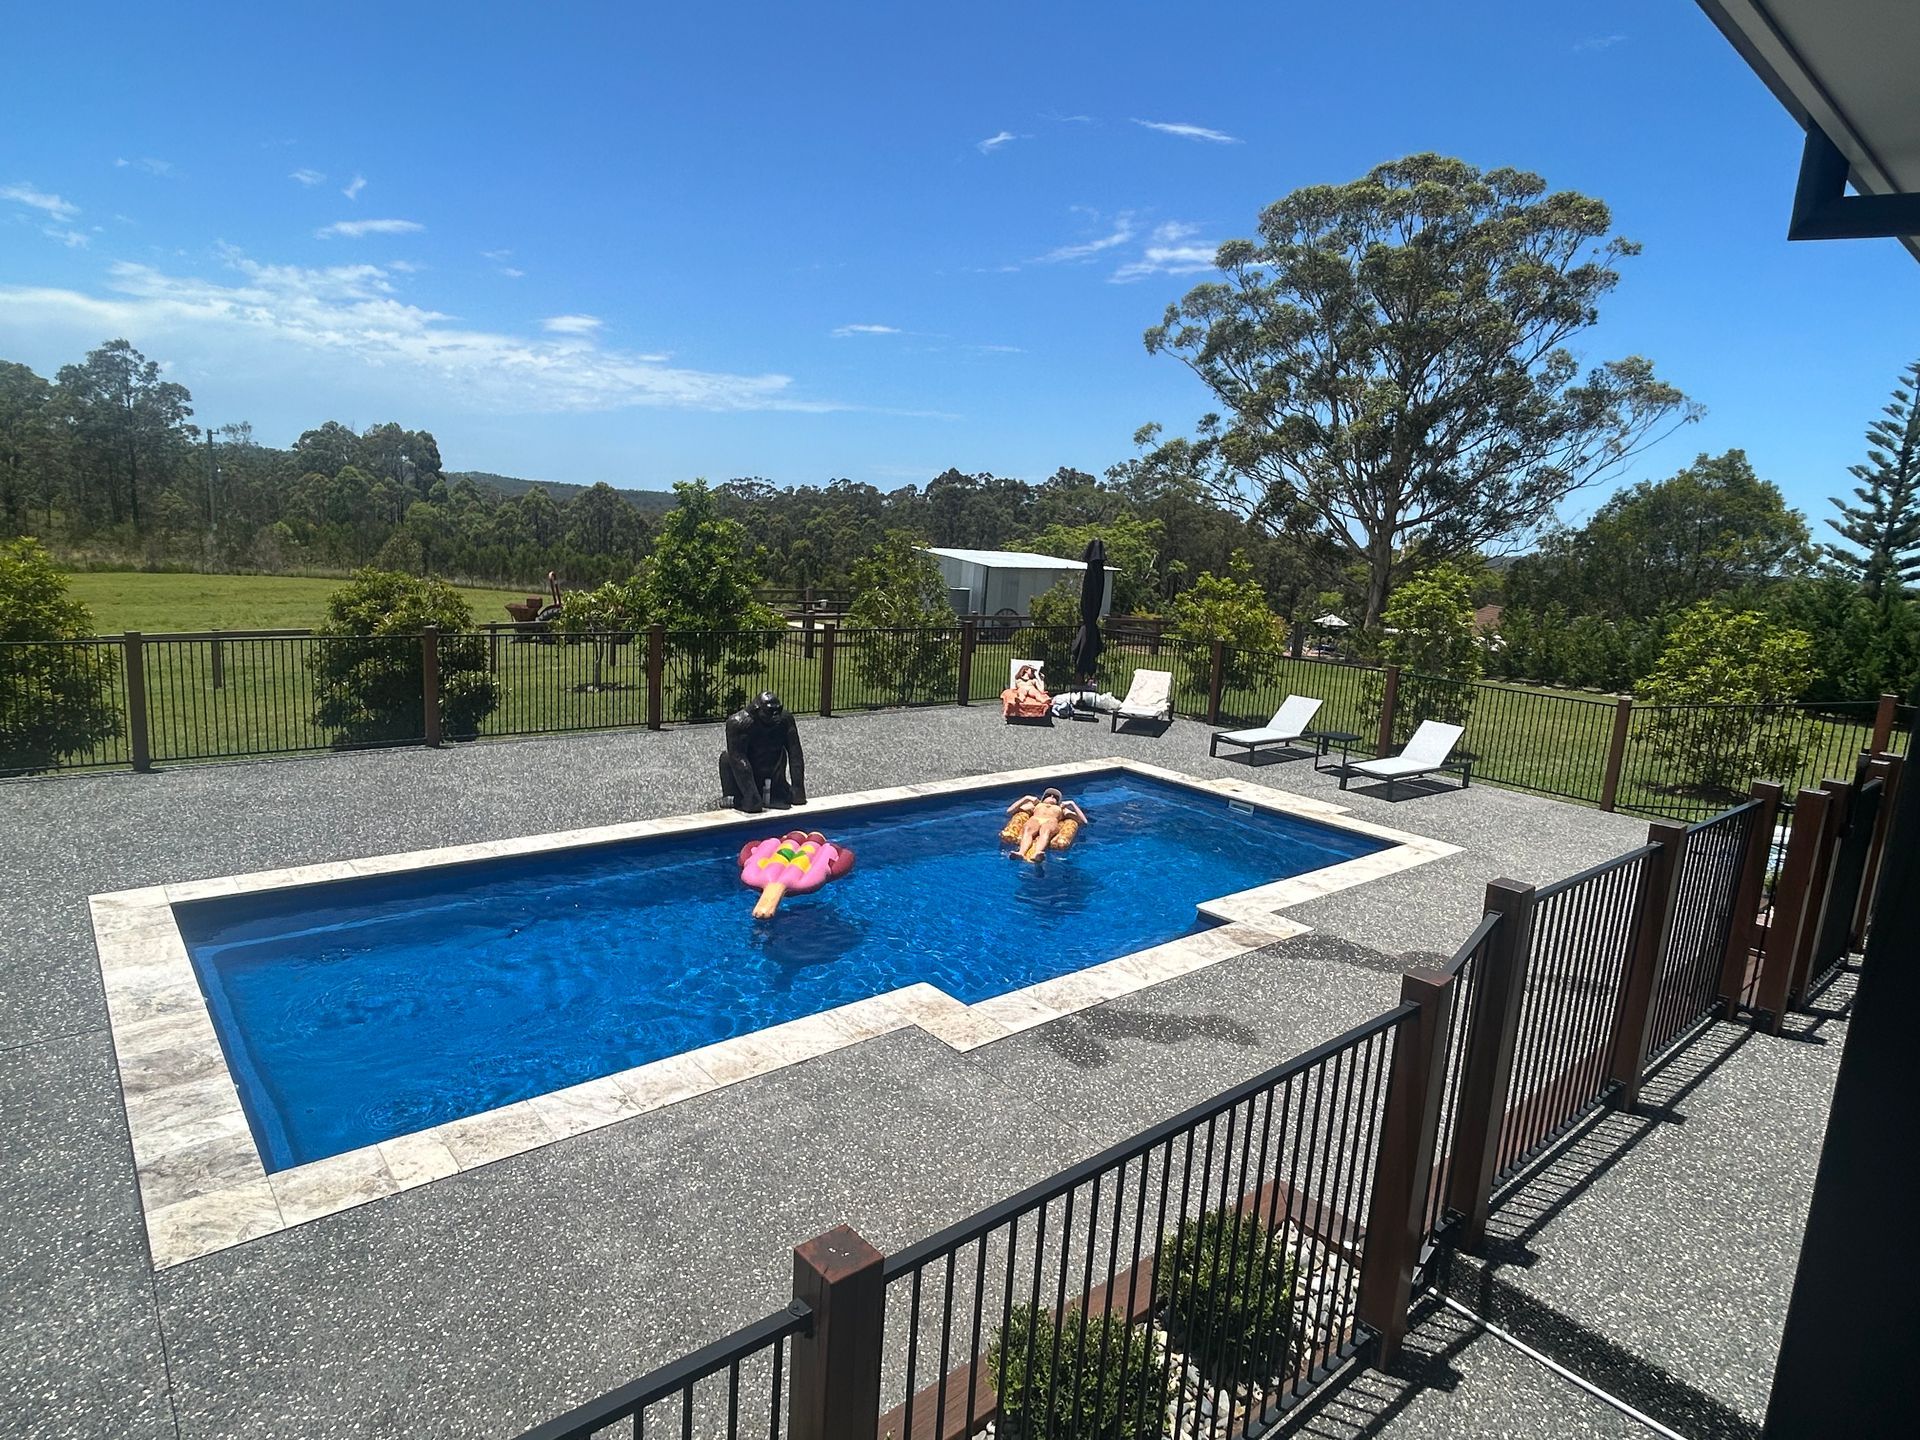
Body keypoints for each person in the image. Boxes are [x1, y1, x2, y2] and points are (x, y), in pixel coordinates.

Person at [1003, 787, 1090, 862]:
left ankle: (1037, 853)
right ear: (1043, 798)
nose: (1052, 797)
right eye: (1048, 795)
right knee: (1028, 829)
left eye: (1055, 797)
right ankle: (1021, 853)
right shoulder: (1036, 805)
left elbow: (1084, 822)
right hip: (1035, 819)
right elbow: (1009, 811)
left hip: (1051, 821)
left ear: (1058, 801)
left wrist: (1072, 804)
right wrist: (1026, 798)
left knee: (1046, 830)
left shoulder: (1061, 809)